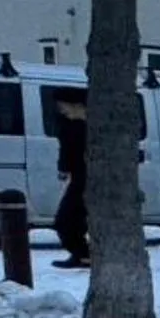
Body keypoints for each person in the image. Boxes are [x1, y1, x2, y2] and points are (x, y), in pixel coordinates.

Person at [54, 90, 90, 269]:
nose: (61, 110)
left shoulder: (73, 128)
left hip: (83, 179)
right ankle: (82, 253)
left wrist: (64, 167)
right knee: (72, 218)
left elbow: (66, 151)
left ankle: (83, 253)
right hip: (82, 177)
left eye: (63, 106)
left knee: (66, 219)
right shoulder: (73, 126)